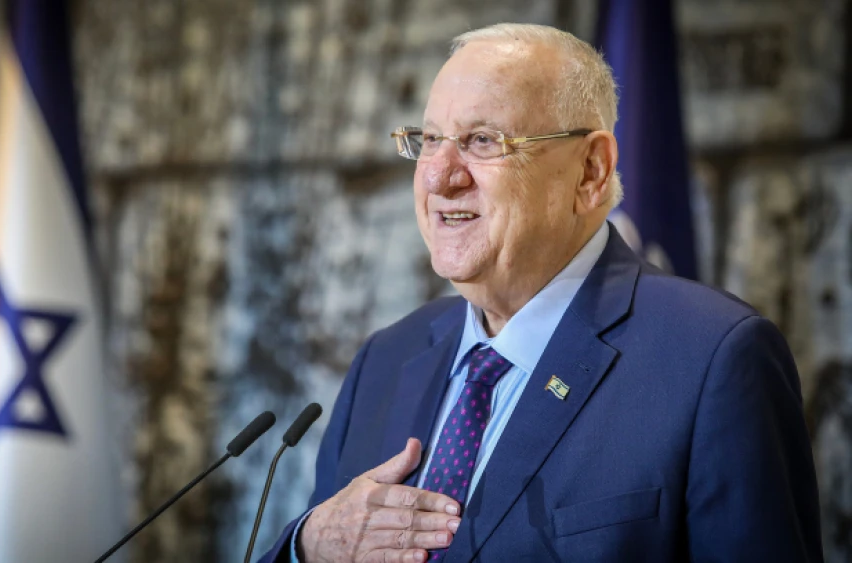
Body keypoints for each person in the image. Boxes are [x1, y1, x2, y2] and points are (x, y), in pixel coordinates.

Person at [259, 23, 821, 562]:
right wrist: (307, 547)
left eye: (482, 140)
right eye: (429, 140)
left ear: (590, 171)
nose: (439, 176)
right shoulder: (384, 360)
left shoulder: (712, 360)